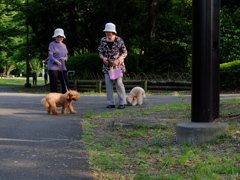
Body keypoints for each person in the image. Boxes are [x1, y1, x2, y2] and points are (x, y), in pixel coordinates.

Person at [99, 22, 127, 109]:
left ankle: (122, 102)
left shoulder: (119, 40)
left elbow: (125, 52)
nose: (108, 34)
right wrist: (103, 58)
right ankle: (110, 102)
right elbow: (100, 52)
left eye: (109, 32)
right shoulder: (103, 40)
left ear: (113, 32)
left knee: (119, 83)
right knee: (108, 84)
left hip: (117, 66)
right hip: (107, 66)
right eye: (106, 32)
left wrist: (118, 60)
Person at [48, 28, 69, 94]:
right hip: (53, 67)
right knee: (54, 84)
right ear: (55, 37)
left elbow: (66, 56)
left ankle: (64, 99)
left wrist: (65, 58)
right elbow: (50, 56)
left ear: (63, 37)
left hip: (62, 67)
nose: (59, 38)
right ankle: (54, 99)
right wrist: (56, 61)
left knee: (65, 83)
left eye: (60, 37)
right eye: (57, 37)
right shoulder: (52, 44)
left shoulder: (64, 45)